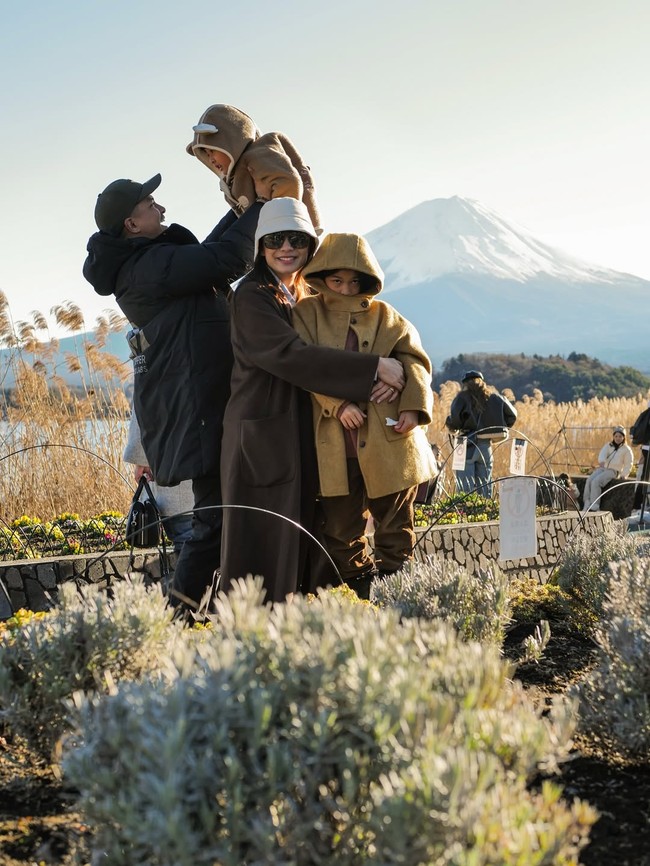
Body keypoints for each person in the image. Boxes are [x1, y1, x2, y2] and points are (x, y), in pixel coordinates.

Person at [83, 172, 261, 612]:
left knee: (219, 520)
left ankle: (200, 615)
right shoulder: (148, 268)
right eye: (150, 205)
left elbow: (206, 256)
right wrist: (261, 207)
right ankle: (178, 618)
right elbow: (226, 259)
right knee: (213, 522)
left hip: (200, 405)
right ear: (132, 224)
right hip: (198, 411)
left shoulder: (152, 261)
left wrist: (239, 210)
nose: (161, 208)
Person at [219, 198, 406, 604]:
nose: (286, 247)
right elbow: (291, 356)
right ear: (260, 246)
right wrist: (374, 368)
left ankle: (305, 622)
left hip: (296, 430)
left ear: (309, 244)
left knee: (304, 529)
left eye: (296, 239)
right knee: (264, 534)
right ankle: (252, 630)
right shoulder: (253, 296)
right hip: (262, 433)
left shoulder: (299, 292)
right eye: (274, 239)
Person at [292, 232, 437, 595]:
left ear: (368, 279)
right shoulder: (305, 314)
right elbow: (303, 368)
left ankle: (400, 605)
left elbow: (416, 360)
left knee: (396, 529)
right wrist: (337, 405)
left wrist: (412, 406)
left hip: (392, 440)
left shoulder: (386, 315)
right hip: (334, 447)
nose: (345, 288)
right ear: (320, 277)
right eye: (336, 279)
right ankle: (359, 605)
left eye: (354, 280)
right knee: (341, 534)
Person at [186, 104, 322, 234]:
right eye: (207, 154)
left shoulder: (257, 155)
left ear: (230, 143)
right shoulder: (234, 178)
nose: (211, 159)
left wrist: (280, 224)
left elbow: (289, 182)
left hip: (285, 233)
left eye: (213, 151)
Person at [123, 410, 193, 553]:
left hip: (176, 477)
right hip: (213, 480)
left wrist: (142, 459)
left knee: (187, 546)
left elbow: (143, 403)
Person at [445, 370, 517, 496]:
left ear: (465, 383)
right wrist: (500, 427)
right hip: (485, 446)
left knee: (464, 488)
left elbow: (455, 422)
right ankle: (484, 512)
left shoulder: (461, 398)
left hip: (465, 445)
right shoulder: (494, 397)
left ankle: (465, 514)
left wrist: (449, 422)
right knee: (485, 487)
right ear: (482, 382)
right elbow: (512, 415)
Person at [582, 425, 634, 512]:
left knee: (596, 482)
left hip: (614, 471)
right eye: (616, 436)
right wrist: (602, 461)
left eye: (620, 436)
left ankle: (595, 505)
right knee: (589, 480)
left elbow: (629, 464)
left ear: (623, 437)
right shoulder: (609, 445)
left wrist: (624, 475)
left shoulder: (626, 450)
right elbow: (602, 454)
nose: (618, 438)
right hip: (604, 468)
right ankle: (587, 503)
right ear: (613, 436)